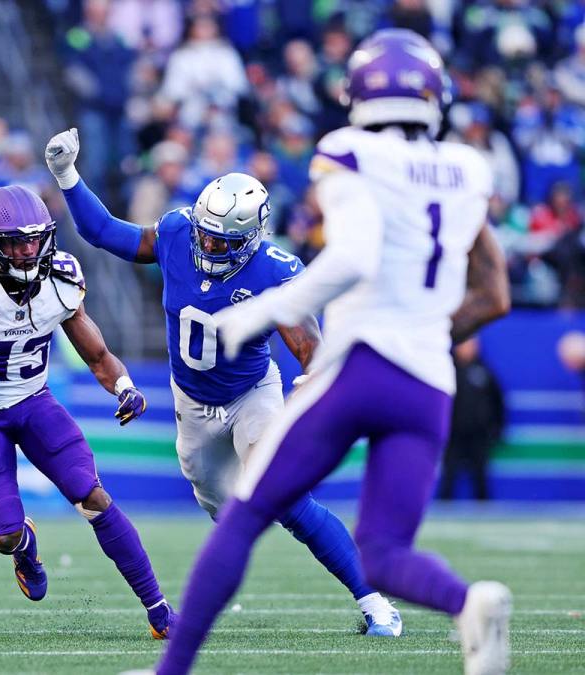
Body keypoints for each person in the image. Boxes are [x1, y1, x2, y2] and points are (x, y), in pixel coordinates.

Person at [147, 30, 512, 674]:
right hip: (427, 383)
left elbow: (352, 257)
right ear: (435, 97)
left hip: (359, 365)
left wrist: (264, 310)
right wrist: (424, 332)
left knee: (247, 511)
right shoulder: (467, 169)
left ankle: (171, 671)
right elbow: (495, 294)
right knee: (385, 553)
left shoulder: (347, 152)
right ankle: (468, 604)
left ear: (359, 96)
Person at [46, 132, 402, 635]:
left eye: (222, 241)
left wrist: (314, 377)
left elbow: (307, 343)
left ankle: (375, 603)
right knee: (221, 508)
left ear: (253, 236)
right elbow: (104, 232)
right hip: (191, 404)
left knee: (286, 495)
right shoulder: (176, 232)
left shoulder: (274, 271)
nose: (209, 246)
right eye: (206, 236)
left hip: (250, 395)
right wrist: (67, 176)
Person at [0, 185, 175, 639]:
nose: (27, 251)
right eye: (15, 242)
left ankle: (159, 609)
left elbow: (97, 354)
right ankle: (23, 548)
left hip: (36, 402)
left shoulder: (60, 279)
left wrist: (124, 386)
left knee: (93, 495)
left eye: (35, 240)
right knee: (3, 534)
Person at [438, 338, 505, 501]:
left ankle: (485, 515)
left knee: (480, 478)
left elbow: (498, 402)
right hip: (453, 435)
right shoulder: (446, 371)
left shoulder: (485, 371)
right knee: (449, 476)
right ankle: (444, 513)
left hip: (479, 436)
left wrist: (496, 429)